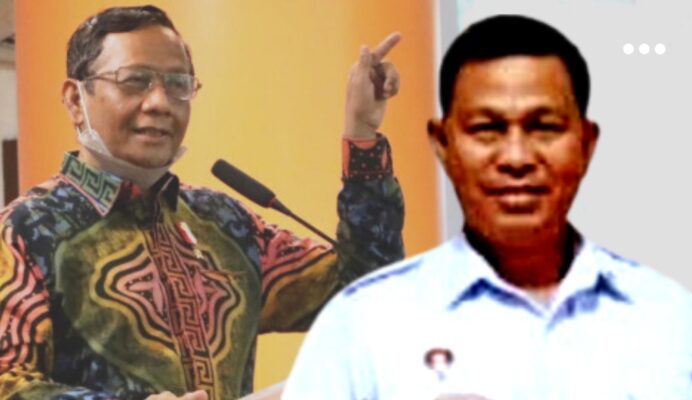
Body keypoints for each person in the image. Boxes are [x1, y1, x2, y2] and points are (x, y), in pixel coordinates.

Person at [283, 14, 692, 400]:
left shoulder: (672, 323)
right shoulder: (360, 325)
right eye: (486, 129)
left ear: (586, 143)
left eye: (544, 127)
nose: (516, 157)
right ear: (443, 144)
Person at [0, 5, 405, 400]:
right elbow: (9, 382)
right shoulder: (26, 228)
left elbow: (368, 295)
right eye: (135, 81)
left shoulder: (223, 222)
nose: (159, 103)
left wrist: (362, 133)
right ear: (75, 99)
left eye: (178, 84)